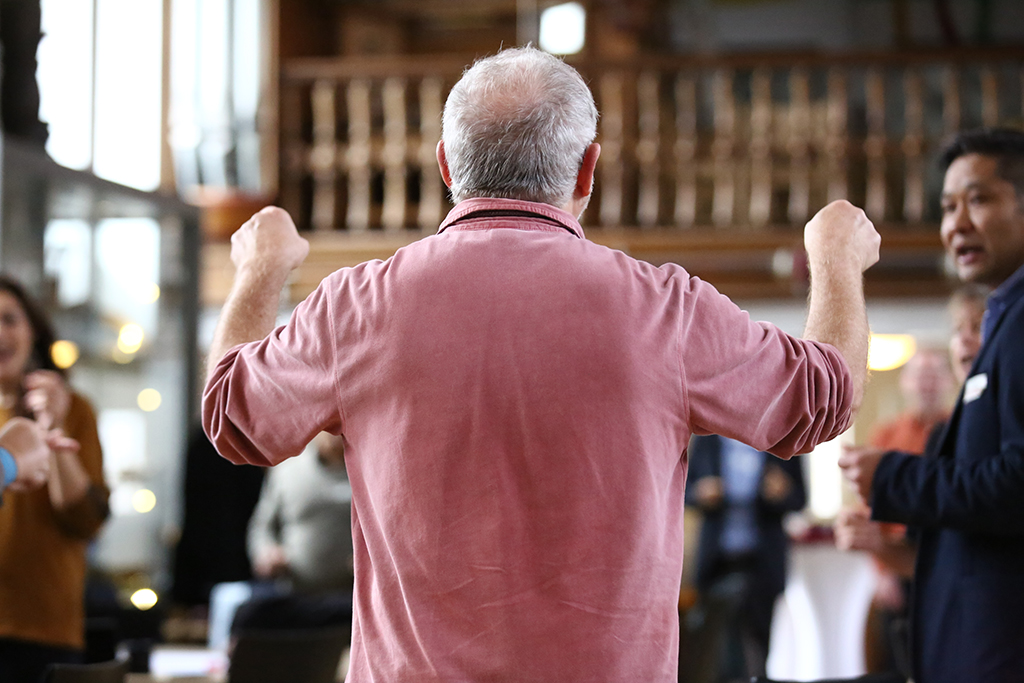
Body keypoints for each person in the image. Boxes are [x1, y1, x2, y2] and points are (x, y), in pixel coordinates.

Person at [203, 47, 879, 681]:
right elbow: (822, 398)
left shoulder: (354, 306)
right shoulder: (665, 308)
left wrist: (260, 272)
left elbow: (233, 416)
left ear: (445, 167)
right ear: (588, 169)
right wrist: (835, 259)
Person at [839, 128, 1024, 683]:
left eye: (979, 199)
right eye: (947, 207)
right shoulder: (1006, 319)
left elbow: (1017, 484)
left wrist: (894, 478)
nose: (956, 224)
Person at [0, 275, 109, 682]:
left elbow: (85, 520)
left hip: (44, 625)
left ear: (32, 331)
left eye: (10, 319)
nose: (0, 333)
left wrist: (56, 424)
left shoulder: (74, 408)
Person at [684, 435, 806, 679]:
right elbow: (684, 491)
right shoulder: (707, 438)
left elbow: (801, 498)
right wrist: (701, 492)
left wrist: (783, 492)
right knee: (716, 646)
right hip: (717, 560)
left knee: (760, 645)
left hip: (763, 561)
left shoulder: (782, 437)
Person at [248, 431, 353, 595]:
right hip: (296, 594)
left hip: (354, 597)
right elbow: (262, 526)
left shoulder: (370, 471)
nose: (335, 434)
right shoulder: (288, 469)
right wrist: (267, 552)